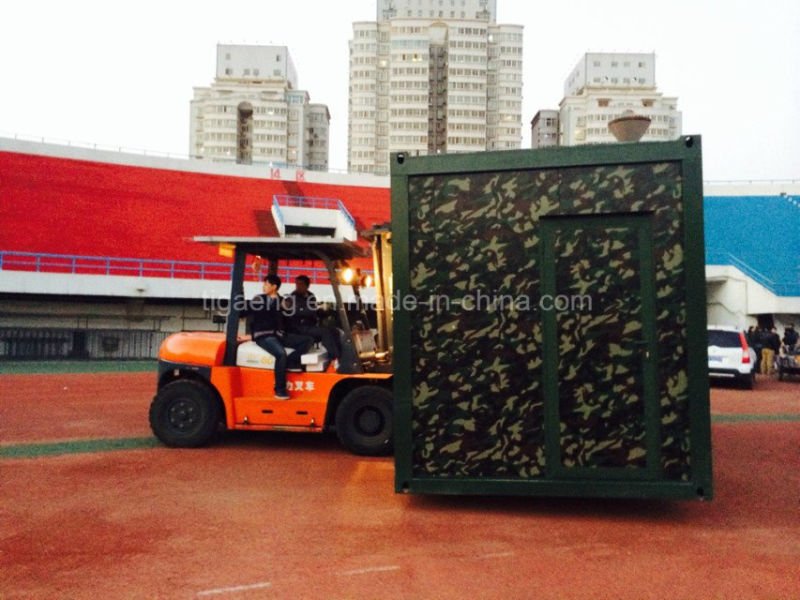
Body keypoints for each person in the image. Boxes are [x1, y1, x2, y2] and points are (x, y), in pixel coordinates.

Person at [243, 274, 313, 400]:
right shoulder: (259, 299)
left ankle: (291, 361)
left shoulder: (283, 301)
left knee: (308, 340)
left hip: (279, 334)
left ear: (274, 287)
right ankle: (279, 390)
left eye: (266, 284)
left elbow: (289, 318)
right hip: (264, 335)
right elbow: (245, 312)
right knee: (281, 354)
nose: (263, 287)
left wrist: (286, 310)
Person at [284, 275, 341, 366]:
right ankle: (334, 358)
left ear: (307, 285)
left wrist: (325, 310)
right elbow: (300, 311)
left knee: (335, 330)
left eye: (301, 284)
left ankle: (341, 355)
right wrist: (317, 308)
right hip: (299, 327)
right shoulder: (292, 298)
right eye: (297, 284)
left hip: (310, 325)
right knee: (325, 332)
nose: (298, 286)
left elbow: (314, 312)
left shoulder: (311, 296)